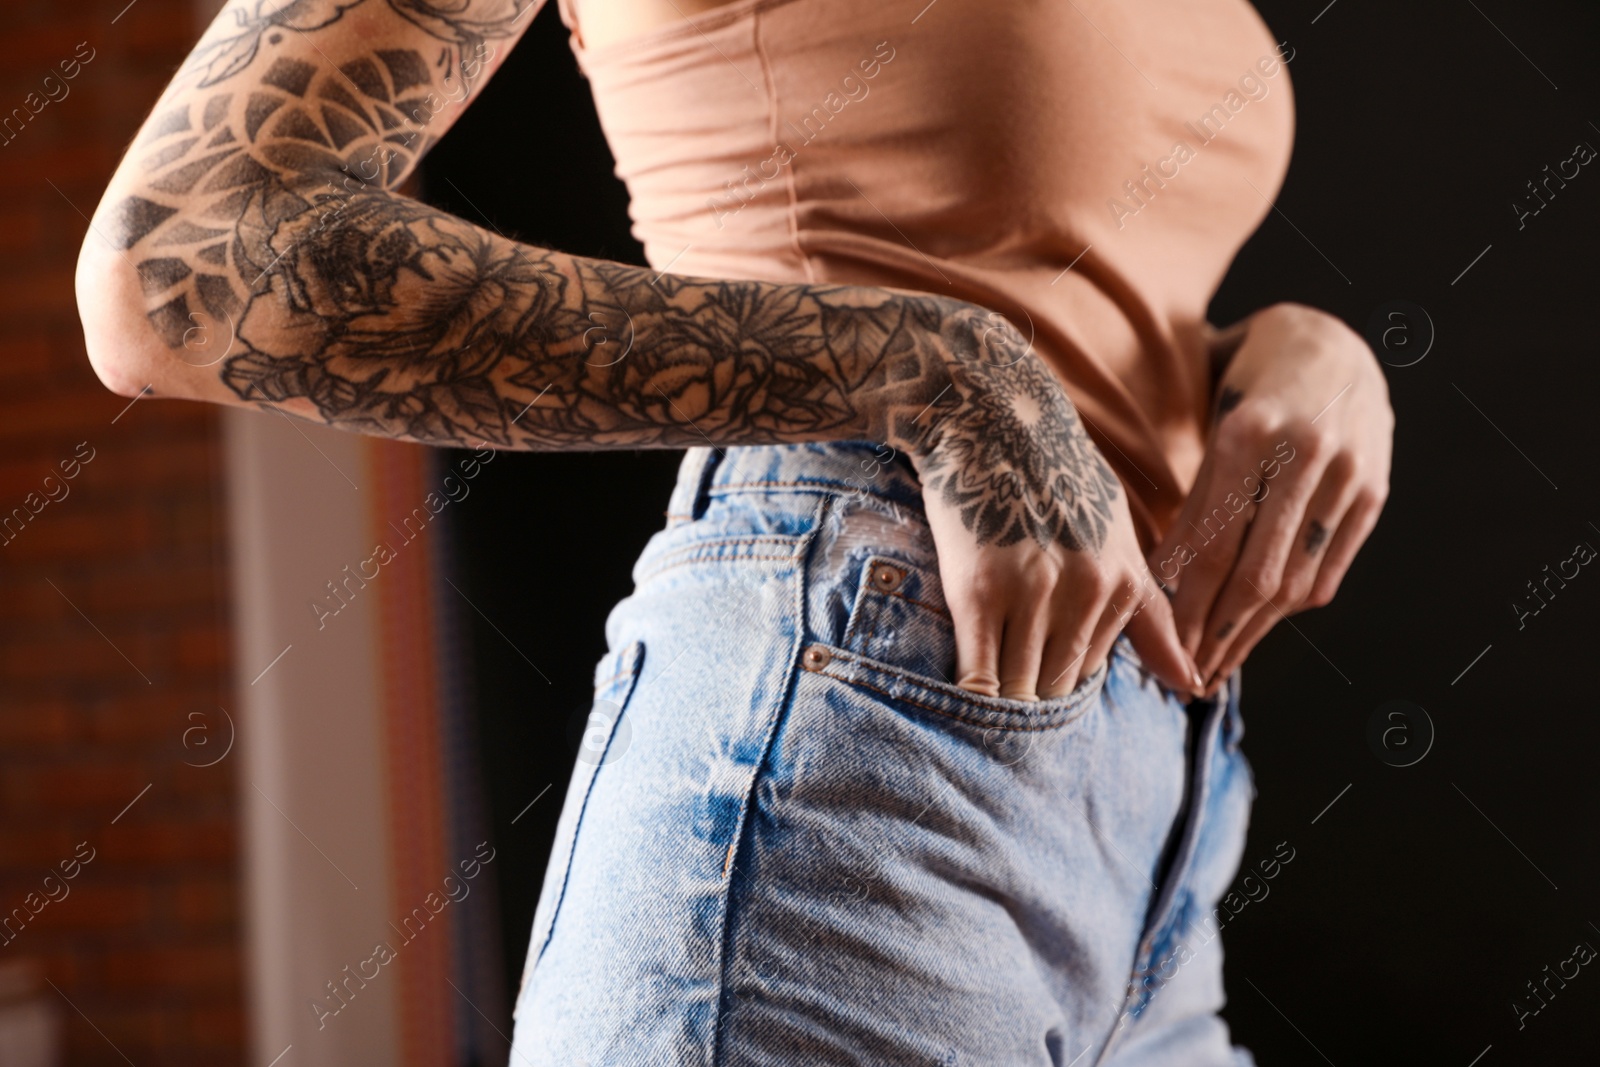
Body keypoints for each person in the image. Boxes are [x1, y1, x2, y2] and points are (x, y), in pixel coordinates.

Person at [74, 0, 1392, 1061]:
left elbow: (1055, 269)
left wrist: (1299, 349)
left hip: (1158, 812)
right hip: (859, 738)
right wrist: (937, 367)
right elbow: (184, 257)